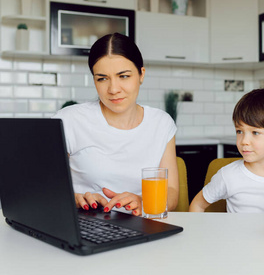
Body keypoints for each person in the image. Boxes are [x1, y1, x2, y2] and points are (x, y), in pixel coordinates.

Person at [52, 32, 178, 216]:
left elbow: (172, 193)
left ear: (141, 74)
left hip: (143, 225)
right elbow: (41, 186)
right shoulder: (68, 120)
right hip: (83, 225)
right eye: (102, 78)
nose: (113, 89)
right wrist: (74, 198)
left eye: (124, 76)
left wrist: (142, 201)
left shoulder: (161, 123)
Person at [189, 87, 264, 213]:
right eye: (239, 131)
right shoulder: (228, 175)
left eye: (255, 132)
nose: (244, 141)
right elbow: (197, 205)